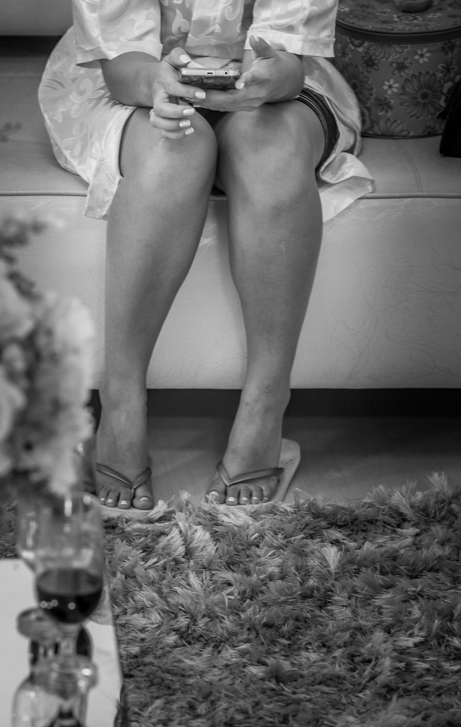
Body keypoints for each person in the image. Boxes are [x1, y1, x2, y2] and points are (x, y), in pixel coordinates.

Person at [39, 0, 373, 513]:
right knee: (176, 147)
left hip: (284, 89)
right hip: (132, 80)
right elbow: (122, 66)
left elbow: (289, 64)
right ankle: (120, 405)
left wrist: (270, 78)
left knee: (270, 148)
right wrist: (154, 82)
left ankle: (265, 408)